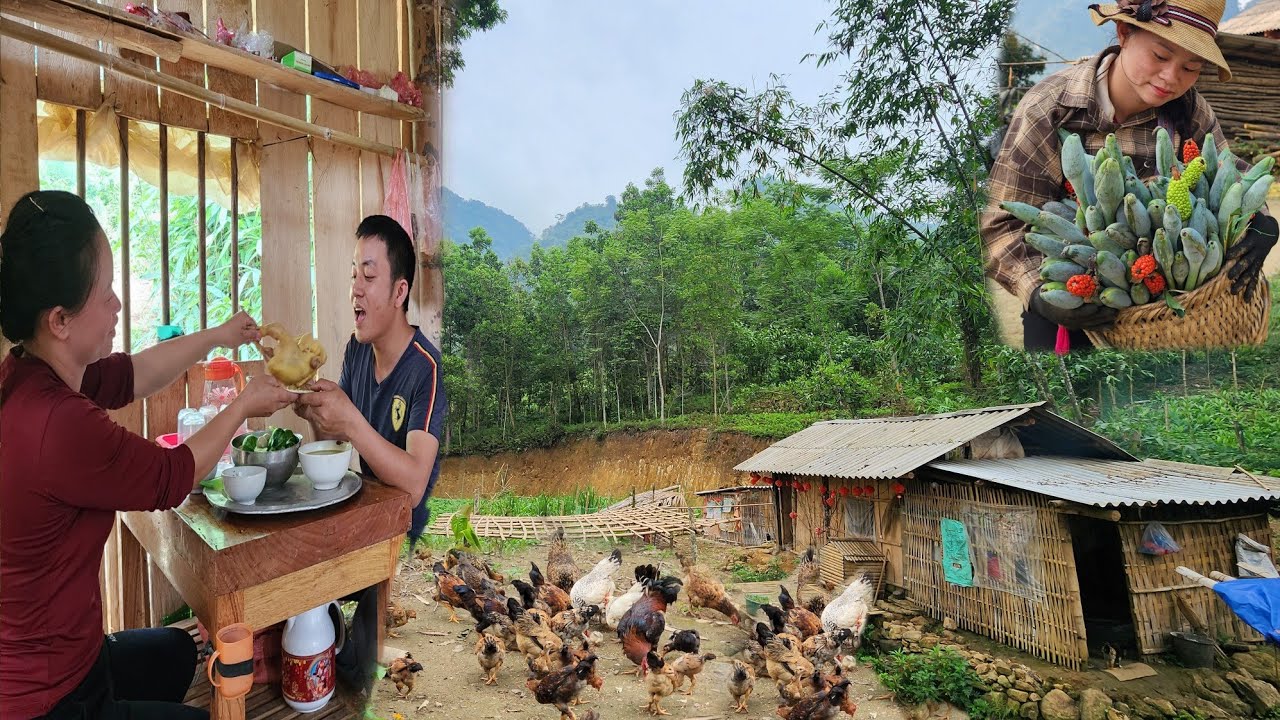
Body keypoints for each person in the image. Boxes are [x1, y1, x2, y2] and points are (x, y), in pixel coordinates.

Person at [0, 191, 298, 719]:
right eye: (106, 292)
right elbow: (170, 476)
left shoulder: (33, 370)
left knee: (178, 651)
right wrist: (246, 404)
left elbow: (133, 374)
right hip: (42, 700)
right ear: (60, 320)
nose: (117, 304)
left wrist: (219, 335)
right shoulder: (57, 424)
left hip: (74, 658)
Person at [982, 0, 1278, 351]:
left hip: (1165, 319)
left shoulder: (1189, 110)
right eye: (1160, 56)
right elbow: (1002, 226)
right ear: (1124, 33)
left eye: (1191, 67)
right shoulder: (1050, 109)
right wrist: (1041, 296)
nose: (1171, 78)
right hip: (1077, 309)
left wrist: (1262, 222)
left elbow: (1229, 175)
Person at [293, 214, 447, 694]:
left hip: (405, 532)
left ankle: (359, 638)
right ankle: (335, 621)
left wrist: (352, 423)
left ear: (399, 293)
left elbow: (416, 483)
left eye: (368, 275)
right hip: (361, 517)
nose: (355, 289)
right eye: (352, 277)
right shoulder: (355, 352)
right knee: (294, 593)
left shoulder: (426, 370)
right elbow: (335, 434)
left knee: (356, 674)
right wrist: (309, 407)